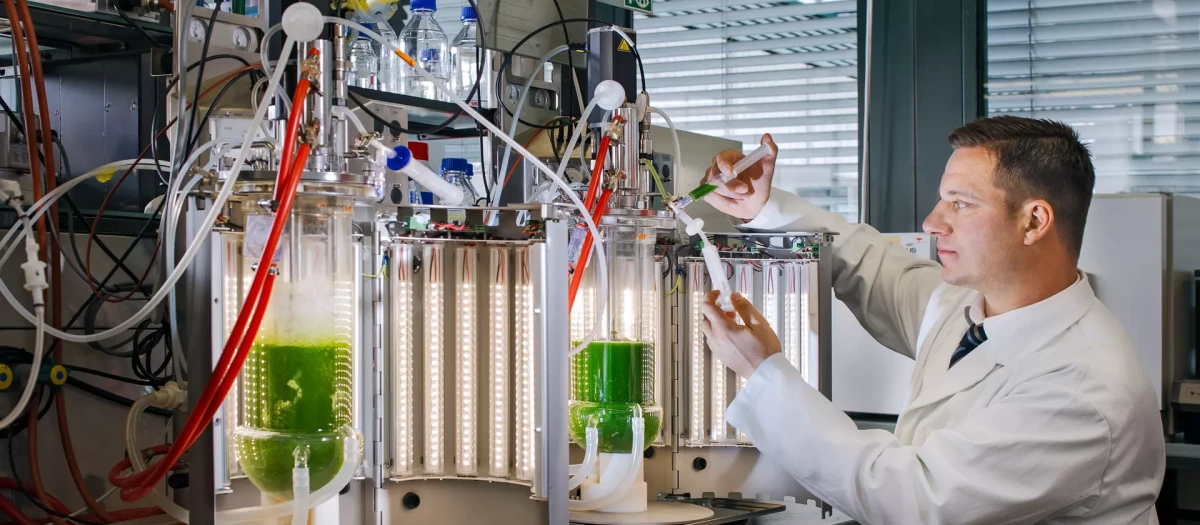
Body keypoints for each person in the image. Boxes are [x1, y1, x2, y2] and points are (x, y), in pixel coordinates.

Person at [699, 116, 1165, 524]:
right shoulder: (964, 306)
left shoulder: (1080, 389)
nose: (931, 222)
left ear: (1034, 221)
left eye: (960, 203)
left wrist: (766, 374)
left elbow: (915, 502)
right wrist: (761, 206)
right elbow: (870, 264)